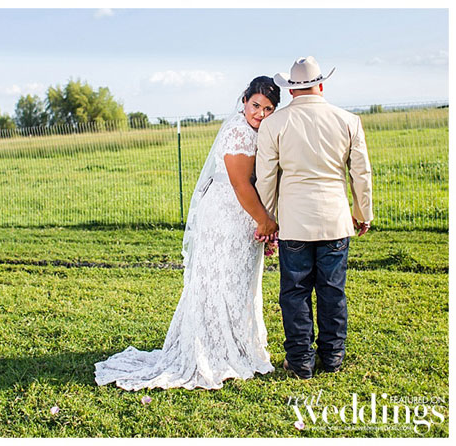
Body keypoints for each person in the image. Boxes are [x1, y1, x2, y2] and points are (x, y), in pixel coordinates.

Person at [94, 76, 280, 390]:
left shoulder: (251, 129)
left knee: (232, 282)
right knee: (220, 281)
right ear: (245, 100)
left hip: (239, 213)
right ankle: (213, 350)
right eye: (255, 105)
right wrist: (265, 222)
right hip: (227, 214)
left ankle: (229, 343)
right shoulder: (239, 131)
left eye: (268, 109)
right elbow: (239, 184)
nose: (260, 114)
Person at [256, 56, 373, 380]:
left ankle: (300, 361)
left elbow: (266, 177)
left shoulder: (274, 124)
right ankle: (333, 356)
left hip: (294, 223)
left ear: (291, 90)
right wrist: (363, 213)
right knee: (332, 290)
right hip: (335, 219)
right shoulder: (348, 120)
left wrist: (267, 219)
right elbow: (360, 174)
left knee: (294, 292)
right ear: (321, 85)